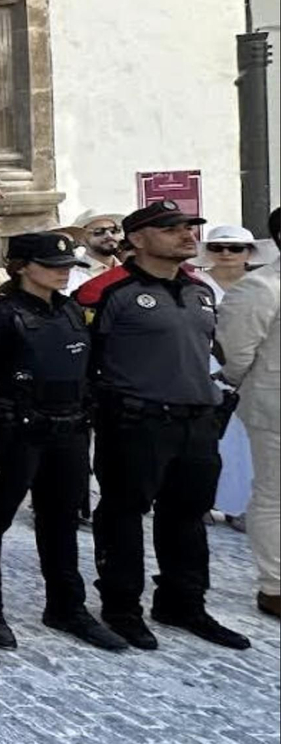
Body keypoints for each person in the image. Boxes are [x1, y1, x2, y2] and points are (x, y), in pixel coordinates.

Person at [76, 201, 251, 651]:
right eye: (171, 228)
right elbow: (82, 357)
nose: (187, 235)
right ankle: (121, 606)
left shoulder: (200, 290)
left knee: (188, 516)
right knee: (123, 514)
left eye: (190, 227)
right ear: (136, 239)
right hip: (135, 421)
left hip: (196, 420)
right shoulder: (105, 292)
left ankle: (183, 602)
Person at [0, 231, 127, 654]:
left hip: (66, 429)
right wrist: (5, 417)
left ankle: (67, 605)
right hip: (14, 433)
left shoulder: (71, 310)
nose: (63, 272)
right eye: (52, 265)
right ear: (22, 266)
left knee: (60, 520)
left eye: (67, 265)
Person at [217, 207, 281, 619]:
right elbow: (234, 354)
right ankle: (275, 584)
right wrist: (244, 383)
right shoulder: (260, 287)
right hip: (275, 403)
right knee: (275, 494)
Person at [61, 210, 125, 292]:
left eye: (113, 230)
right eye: (99, 231)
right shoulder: (72, 274)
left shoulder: (129, 269)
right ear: (82, 239)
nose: (109, 235)